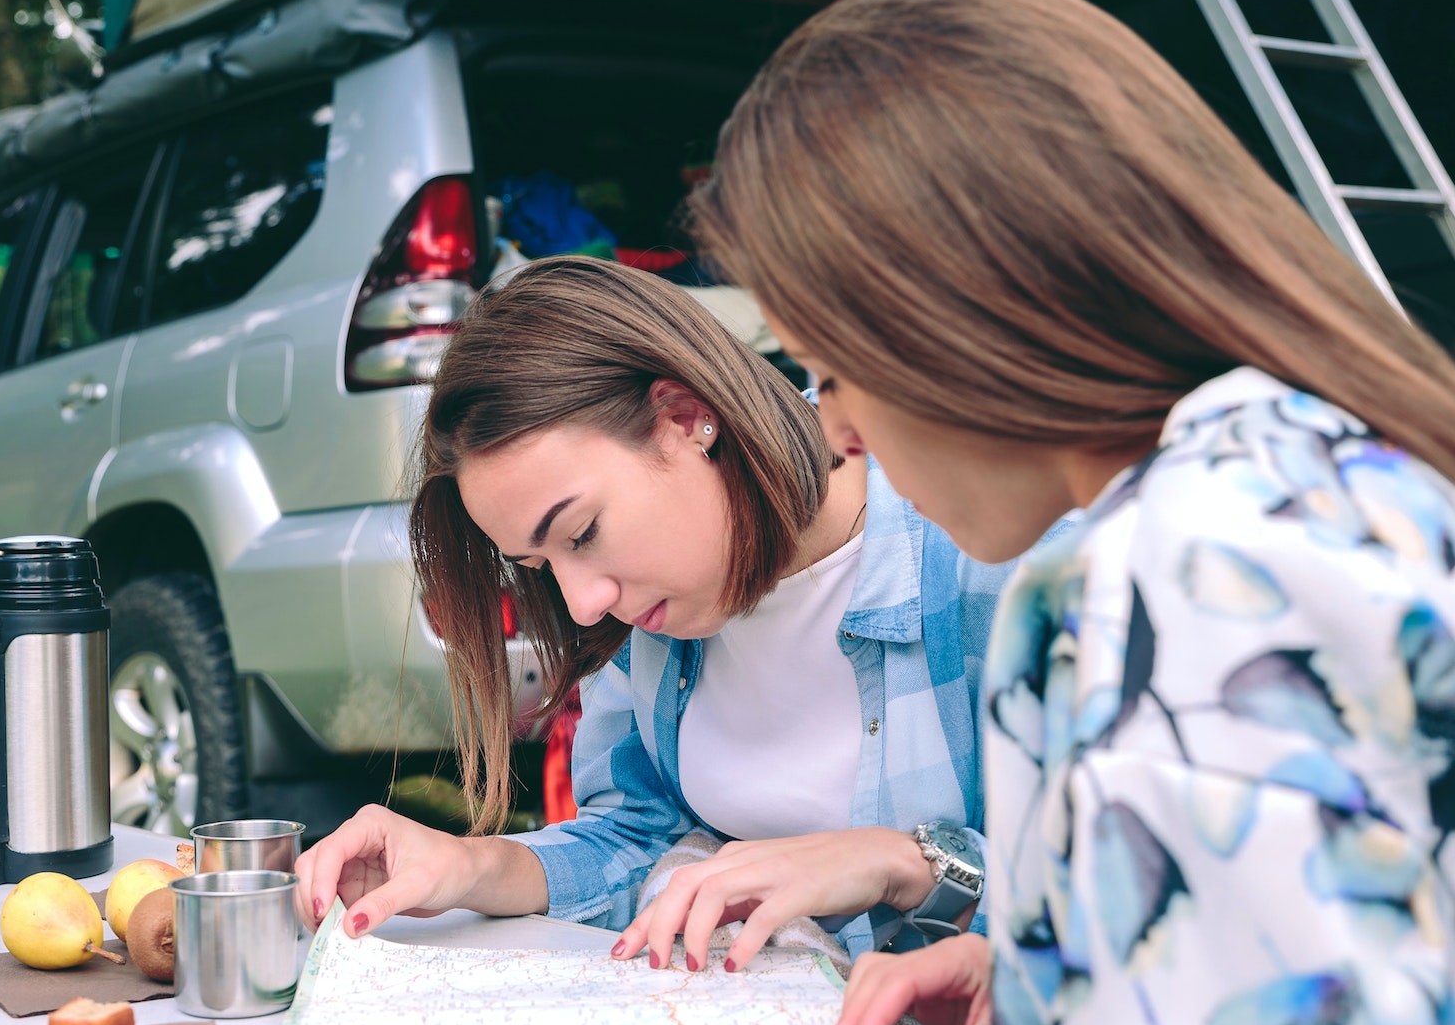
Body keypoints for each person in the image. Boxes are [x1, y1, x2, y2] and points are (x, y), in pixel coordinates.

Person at [357, 0, 1455, 1025]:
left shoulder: (1157, 581)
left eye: (832, 363)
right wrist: (1031, 976)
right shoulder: (1335, 479)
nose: (830, 423)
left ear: (966, 305)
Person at [296, 254, 1011, 973]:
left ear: (686, 418)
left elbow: (1108, 900)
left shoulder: (995, 553)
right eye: (542, 566)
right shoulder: (649, 613)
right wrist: (468, 865)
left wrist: (905, 866)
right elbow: (633, 837)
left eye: (582, 534)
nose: (583, 603)